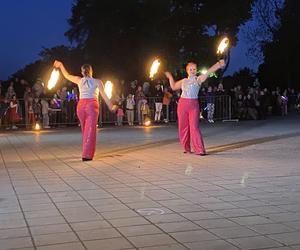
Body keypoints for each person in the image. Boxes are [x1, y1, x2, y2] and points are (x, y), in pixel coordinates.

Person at [53, 60, 115, 161]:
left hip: (81, 106)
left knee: (85, 130)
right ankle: (87, 155)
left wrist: (60, 65)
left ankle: (86, 151)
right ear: (91, 71)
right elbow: (104, 95)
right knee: (90, 131)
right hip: (92, 106)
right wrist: (111, 106)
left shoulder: (79, 80)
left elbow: (67, 75)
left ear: (82, 72)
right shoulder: (97, 81)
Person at [164, 60, 225, 155]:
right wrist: (170, 77)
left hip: (194, 105)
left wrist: (218, 65)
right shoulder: (184, 80)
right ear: (187, 71)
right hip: (182, 104)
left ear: (196, 70)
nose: (192, 71)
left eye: (194, 69)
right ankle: (186, 148)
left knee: (194, 127)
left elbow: (209, 72)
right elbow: (173, 87)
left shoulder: (199, 79)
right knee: (183, 127)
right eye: (190, 69)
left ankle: (200, 149)